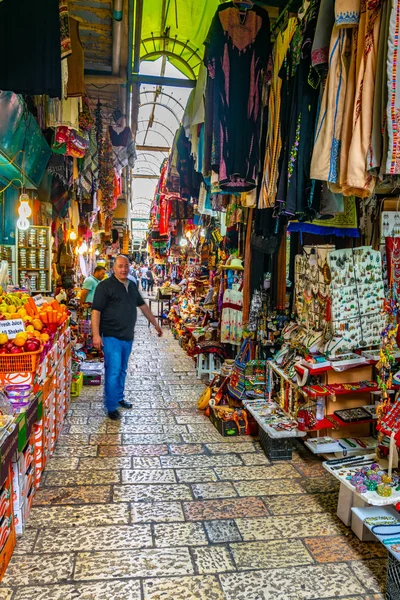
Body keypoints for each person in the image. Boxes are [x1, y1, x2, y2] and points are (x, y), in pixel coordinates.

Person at [91, 255, 163, 420]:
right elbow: (96, 312)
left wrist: (155, 323)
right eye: (120, 266)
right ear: (113, 268)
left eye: (126, 266)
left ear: (129, 267)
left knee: (122, 369)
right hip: (111, 336)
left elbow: (143, 306)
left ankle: (119, 397)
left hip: (127, 336)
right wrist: (96, 335)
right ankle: (111, 406)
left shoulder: (131, 285)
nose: (124, 269)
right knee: (113, 370)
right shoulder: (104, 287)